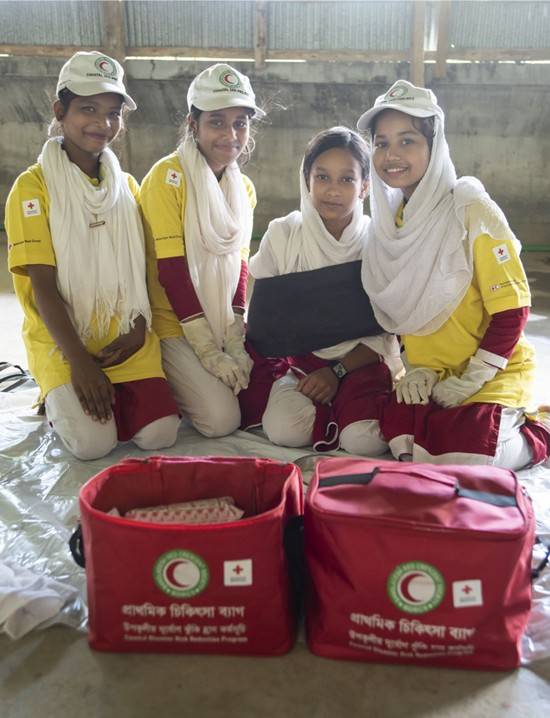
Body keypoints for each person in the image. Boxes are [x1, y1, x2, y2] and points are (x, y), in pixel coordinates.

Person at [358, 80, 550, 468]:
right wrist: (415, 368)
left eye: (407, 141)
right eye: (381, 143)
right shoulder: (392, 224)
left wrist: (472, 379)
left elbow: (513, 310)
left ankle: (540, 427)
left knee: (468, 457)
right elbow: (402, 309)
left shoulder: (470, 210)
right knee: (402, 442)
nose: (392, 155)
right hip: (432, 374)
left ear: (434, 144)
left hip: (490, 367)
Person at [5, 51, 180, 460]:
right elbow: (44, 287)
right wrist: (80, 364)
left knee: (161, 434)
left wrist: (139, 326)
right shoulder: (33, 190)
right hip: (64, 341)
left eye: (113, 113)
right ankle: (58, 393)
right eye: (88, 109)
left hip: (125, 337)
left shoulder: (128, 188)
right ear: (59, 111)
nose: (103, 124)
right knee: (91, 444)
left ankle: (112, 396)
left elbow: (143, 271)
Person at [248, 127, 400, 454]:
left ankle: (350, 409)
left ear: (364, 187)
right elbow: (264, 322)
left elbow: (388, 331)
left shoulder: (378, 242)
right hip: (304, 364)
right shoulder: (283, 235)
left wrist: (338, 371)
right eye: (322, 177)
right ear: (307, 179)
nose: (332, 190)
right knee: (284, 431)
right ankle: (333, 411)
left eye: (346, 179)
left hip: (362, 361)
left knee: (365, 443)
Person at [139, 63, 262, 438]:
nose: (231, 135)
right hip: (172, 324)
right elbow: (172, 271)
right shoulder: (167, 178)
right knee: (221, 419)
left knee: (259, 400)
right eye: (217, 122)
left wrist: (235, 337)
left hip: (220, 319)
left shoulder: (245, 190)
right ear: (193, 124)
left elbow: (240, 266)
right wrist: (209, 352)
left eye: (240, 122)